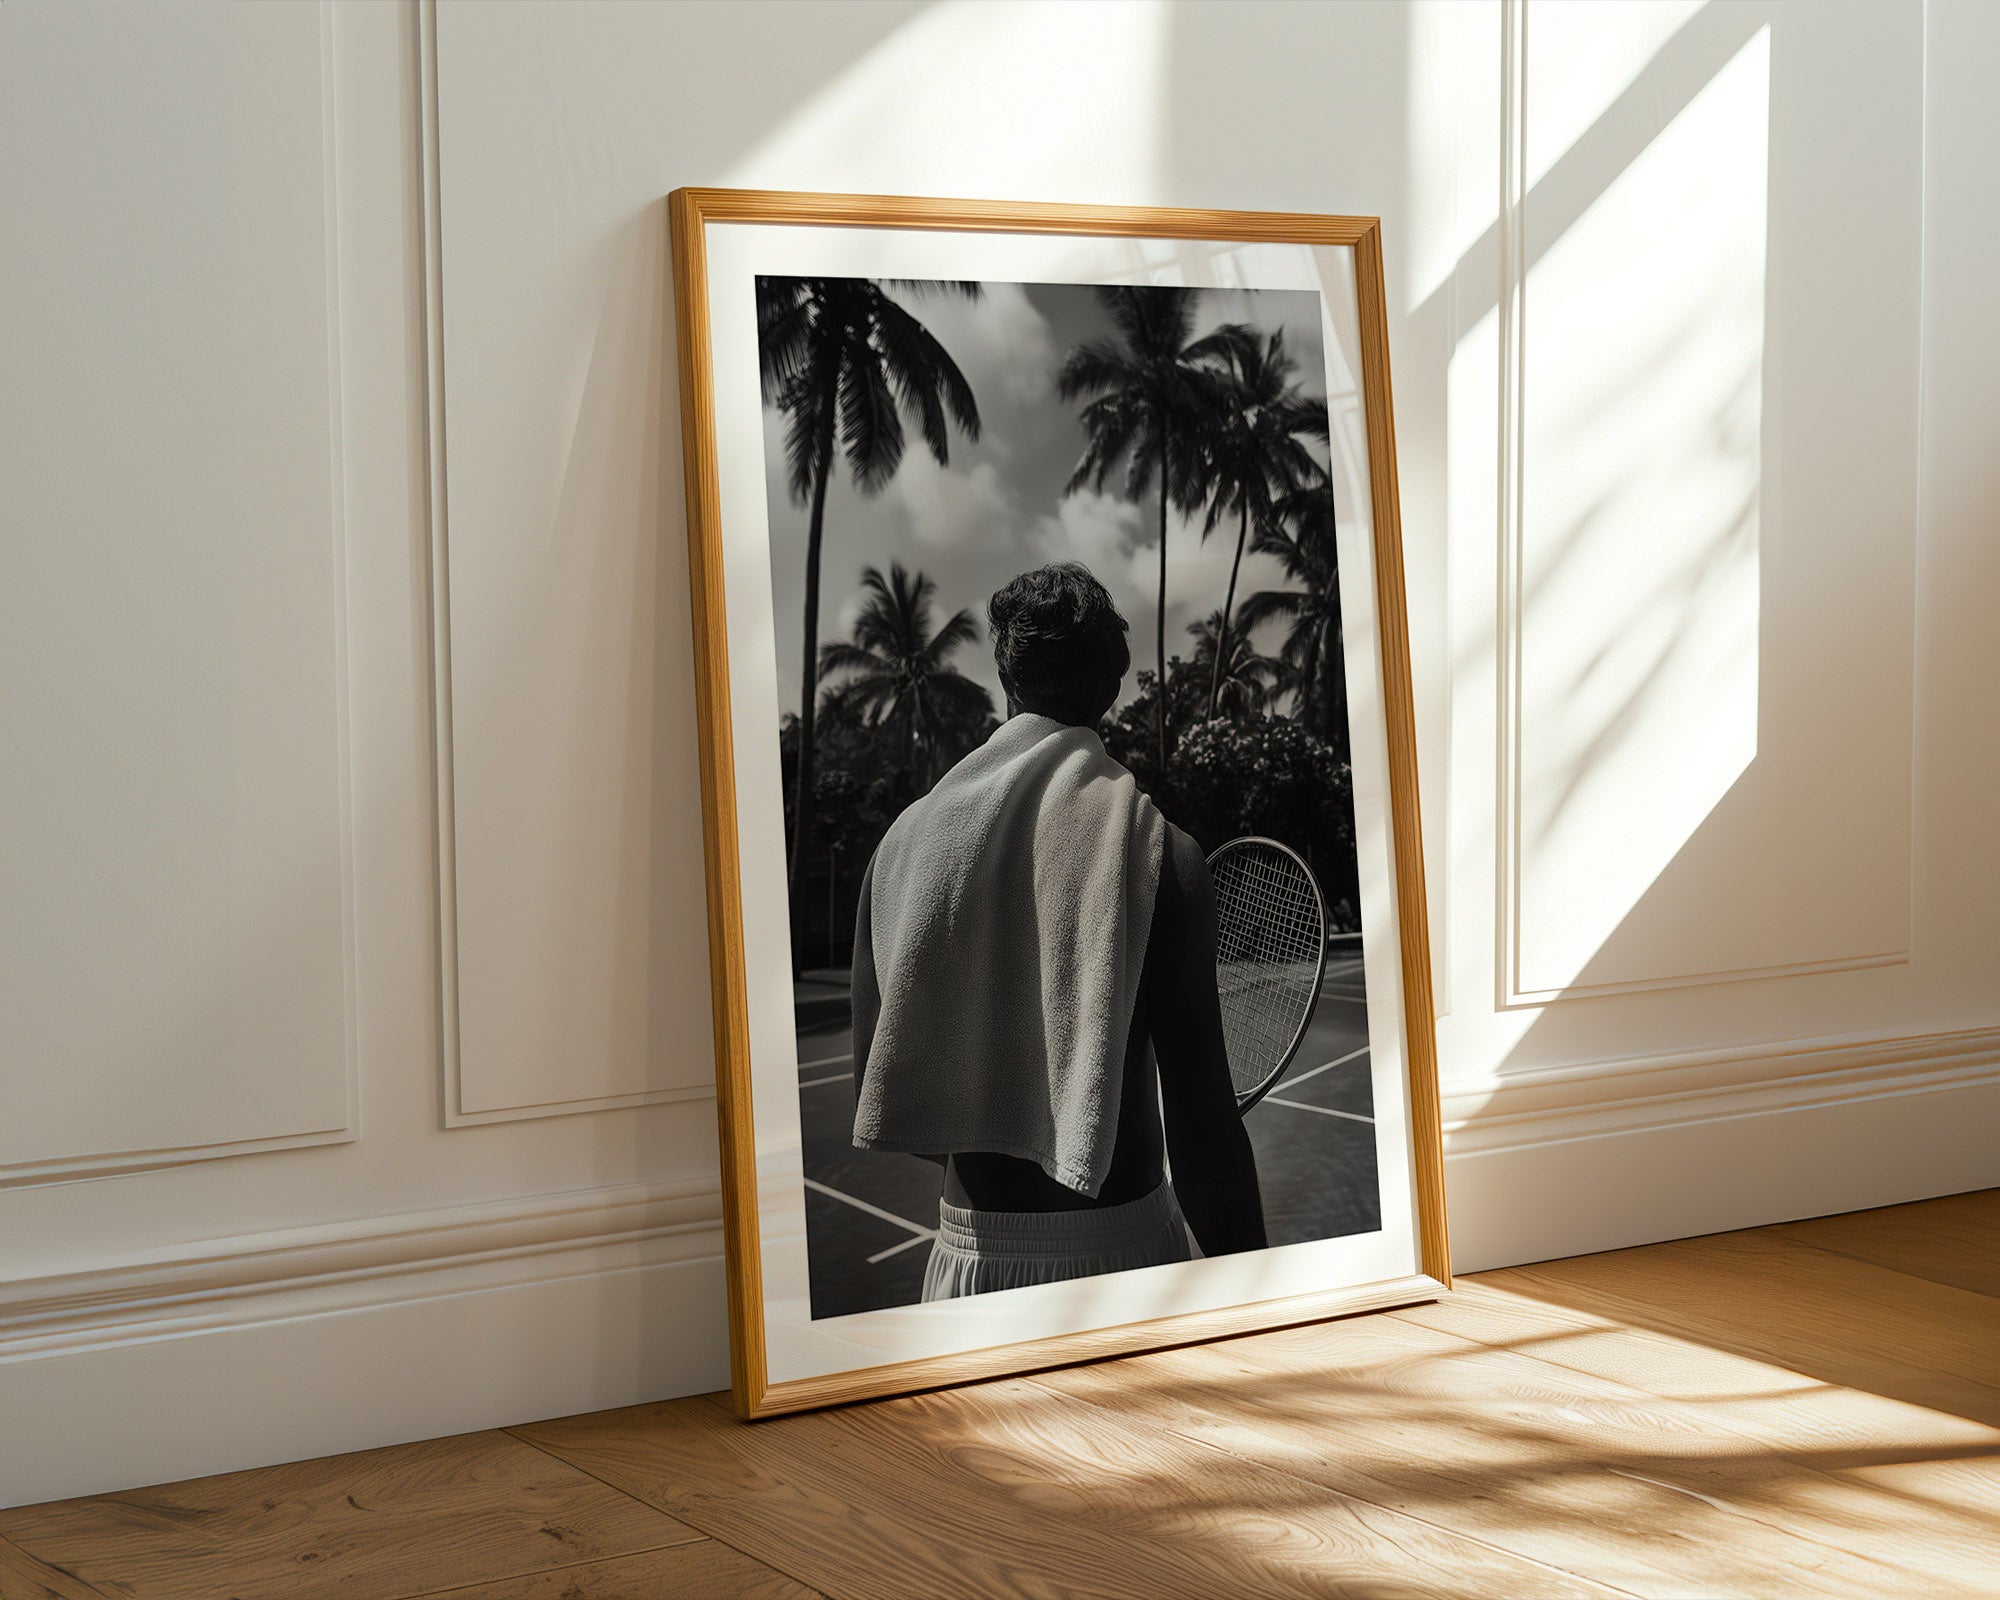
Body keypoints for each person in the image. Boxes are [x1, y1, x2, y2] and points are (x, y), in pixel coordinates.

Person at [848, 562, 1265, 1301]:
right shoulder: (1164, 855)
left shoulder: (898, 853)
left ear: (1007, 675)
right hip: (1126, 1253)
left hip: (966, 1266)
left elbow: (890, 1092)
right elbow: (1204, 1140)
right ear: (1111, 687)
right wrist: (1268, 1306)